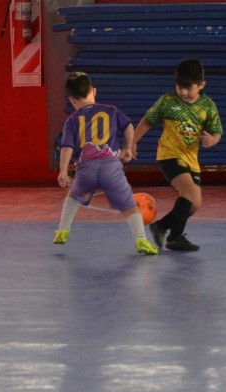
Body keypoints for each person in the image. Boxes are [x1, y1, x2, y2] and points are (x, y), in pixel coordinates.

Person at [53, 72, 159, 255]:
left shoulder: (71, 121)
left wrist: (63, 171)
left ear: (72, 100)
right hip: (111, 167)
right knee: (129, 206)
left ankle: (63, 229)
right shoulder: (111, 110)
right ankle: (141, 239)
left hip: (86, 169)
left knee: (72, 197)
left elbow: (67, 147)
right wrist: (127, 148)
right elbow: (128, 127)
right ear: (94, 91)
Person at [132, 58, 223, 251]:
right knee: (188, 193)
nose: (183, 92)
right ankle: (175, 238)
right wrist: (132, 142)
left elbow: (217, 131)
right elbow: (148, 121)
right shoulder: (168, 101)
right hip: (169, 155)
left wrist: (212, 140)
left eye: (189, 88)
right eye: (180, 87)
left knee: (194, 203)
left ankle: (161, 226)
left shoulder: (207, 106)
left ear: (201, 85)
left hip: (191, 160)